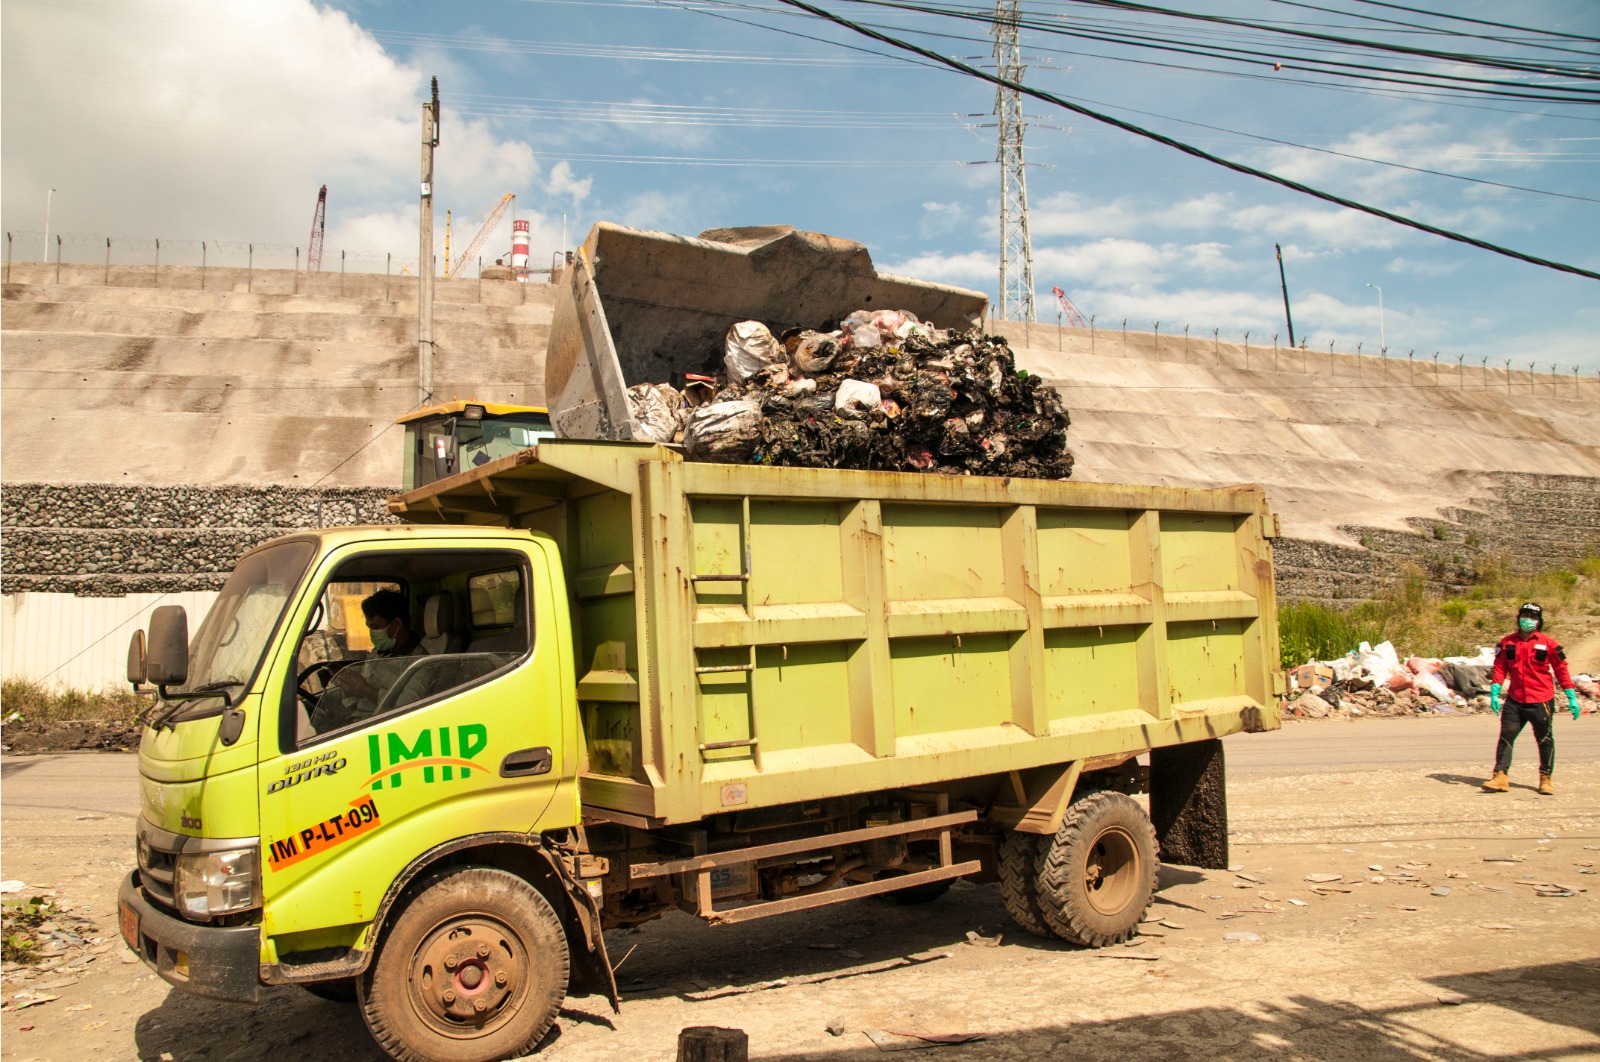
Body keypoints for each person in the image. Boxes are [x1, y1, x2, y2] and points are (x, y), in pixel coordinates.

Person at [1481, 602, 1581, 796]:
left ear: (1539, 621)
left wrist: (1571, 695)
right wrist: (1494, 691)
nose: (1528, 620)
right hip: (1515, 700)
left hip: (1541, 700)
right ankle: (1500, 776)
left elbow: (1561, 670)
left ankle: (1546, 778)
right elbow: (1500, 667)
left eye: (1533, 617)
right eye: (1525, 615)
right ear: (1518, 618)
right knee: (1506, 737)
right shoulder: (1507, 643)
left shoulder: (1549, 644)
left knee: (1544, 739)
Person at [309, 590, 424, 733]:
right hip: (359, 720)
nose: (372, 634)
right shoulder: (379, 652)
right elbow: (363, 688)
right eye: (369, 627)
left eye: (375, 627)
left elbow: (407, 707)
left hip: (381, 729)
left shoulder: (421, 663)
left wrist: (363, 689)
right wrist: (348, 682)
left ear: (396, 623)